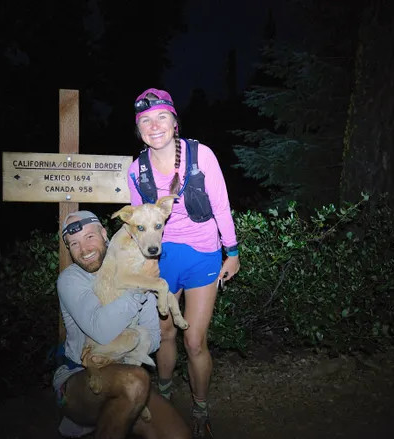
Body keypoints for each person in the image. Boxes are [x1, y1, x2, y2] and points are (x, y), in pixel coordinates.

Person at [127, 88, 240, 438]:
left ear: (175, 122)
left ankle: (200, 407)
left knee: (194, 341)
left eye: (161, 117)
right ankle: (162, 398)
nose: (154, 125)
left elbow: (220, 206)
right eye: (145, 120)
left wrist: (232, 252)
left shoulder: (200, 155)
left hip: (203, 255)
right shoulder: (136, 169)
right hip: (161, 260)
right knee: (164, 334)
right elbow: (137, 223)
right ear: (138, 130)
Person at [53, 210, 191, 439]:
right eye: (74, 244)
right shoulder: (71, 279)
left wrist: (130, 343)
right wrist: (138, 288)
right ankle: (81, 419)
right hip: (77, 376)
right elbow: (101, 332)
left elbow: (153, 339)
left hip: (126, 374)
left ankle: (121, 411)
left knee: (178, 435)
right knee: (135, 381)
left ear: (104, 234)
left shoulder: (135, 268)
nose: (84, 249)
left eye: (89, 237)